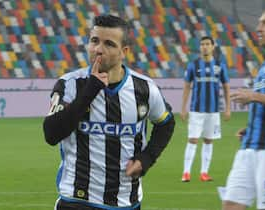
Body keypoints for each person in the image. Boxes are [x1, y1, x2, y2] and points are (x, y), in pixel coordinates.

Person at [42, 14, 175, 210]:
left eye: (109, 44)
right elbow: (51, 134)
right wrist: (90, 90)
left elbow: (166, 123)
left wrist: (146, 158)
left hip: (125, 202)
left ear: (124, 51)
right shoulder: (69, 85)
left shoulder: (145, 89)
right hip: (77, 200)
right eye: (94, 41)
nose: (98, 50)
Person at [223, 6, 265, 210]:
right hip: (250, 145)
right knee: (231, 205)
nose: (258, 28)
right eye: (259, 22)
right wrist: (251, 128)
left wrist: (253, 96)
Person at [180, 36, 231, 182]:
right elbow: (186, 86)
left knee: (208, 140)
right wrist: (183, 108)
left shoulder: (220, 65)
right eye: (202, 44)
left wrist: (228, 108)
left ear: (213, 46)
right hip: (196, 110)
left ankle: (204, 173)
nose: (204, 47)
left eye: (207, 44)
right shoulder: (193, 65)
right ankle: (186, 172)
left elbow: (226, 87)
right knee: (193, 139)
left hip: (213, 111)